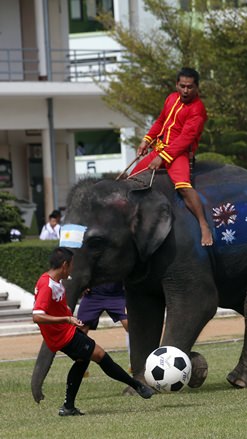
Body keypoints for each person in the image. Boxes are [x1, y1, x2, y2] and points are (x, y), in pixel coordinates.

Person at [32, 248, 153, 416]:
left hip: (65, 332)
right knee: (100, 355)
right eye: (72, 265)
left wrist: (66, 313)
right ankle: (137, 385)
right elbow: (37, 316)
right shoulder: (47, 285)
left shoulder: (53, 281)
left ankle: (68, 407)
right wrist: (67, 319)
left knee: (83, 361)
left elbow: (56, 306)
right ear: (65, 265)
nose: (73, 269)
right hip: (63, 336)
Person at [131, 67, 212, 246]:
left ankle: (203, 225)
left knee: (183, 187)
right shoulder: (171, 99)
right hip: (159, 150)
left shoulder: (198, 109)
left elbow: (185, 139)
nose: (185, 90)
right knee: (131, 180)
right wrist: (147, 140)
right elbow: (160, 122)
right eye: (182, 86)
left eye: (189, 87)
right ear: (177, 84)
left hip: (179, 154)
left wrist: (163, 157)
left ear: (197, 87)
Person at [76, 282, 130, 376]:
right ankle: (81, 368)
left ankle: (134, 363)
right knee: (81, 329)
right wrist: (83, 284)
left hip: (117, 294)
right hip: (93, 294)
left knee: (130, 326)